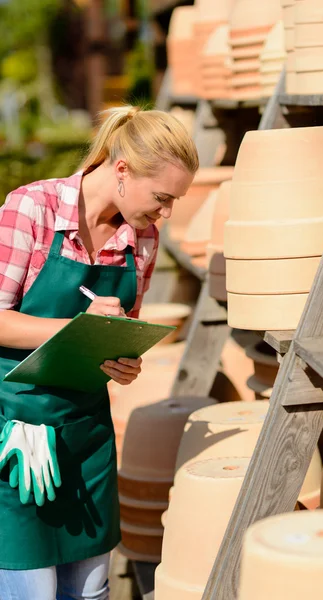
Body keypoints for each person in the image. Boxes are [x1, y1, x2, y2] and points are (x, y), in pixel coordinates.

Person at [0, 105, 198, 600]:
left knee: (91, 592)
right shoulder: (31, 209)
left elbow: (117, 339)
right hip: (18, 434)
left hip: (88, 437)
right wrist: (74, 328)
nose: (166, 213)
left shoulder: (143, 239)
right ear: (123, 171)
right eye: (162, 197)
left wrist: (122, 360)